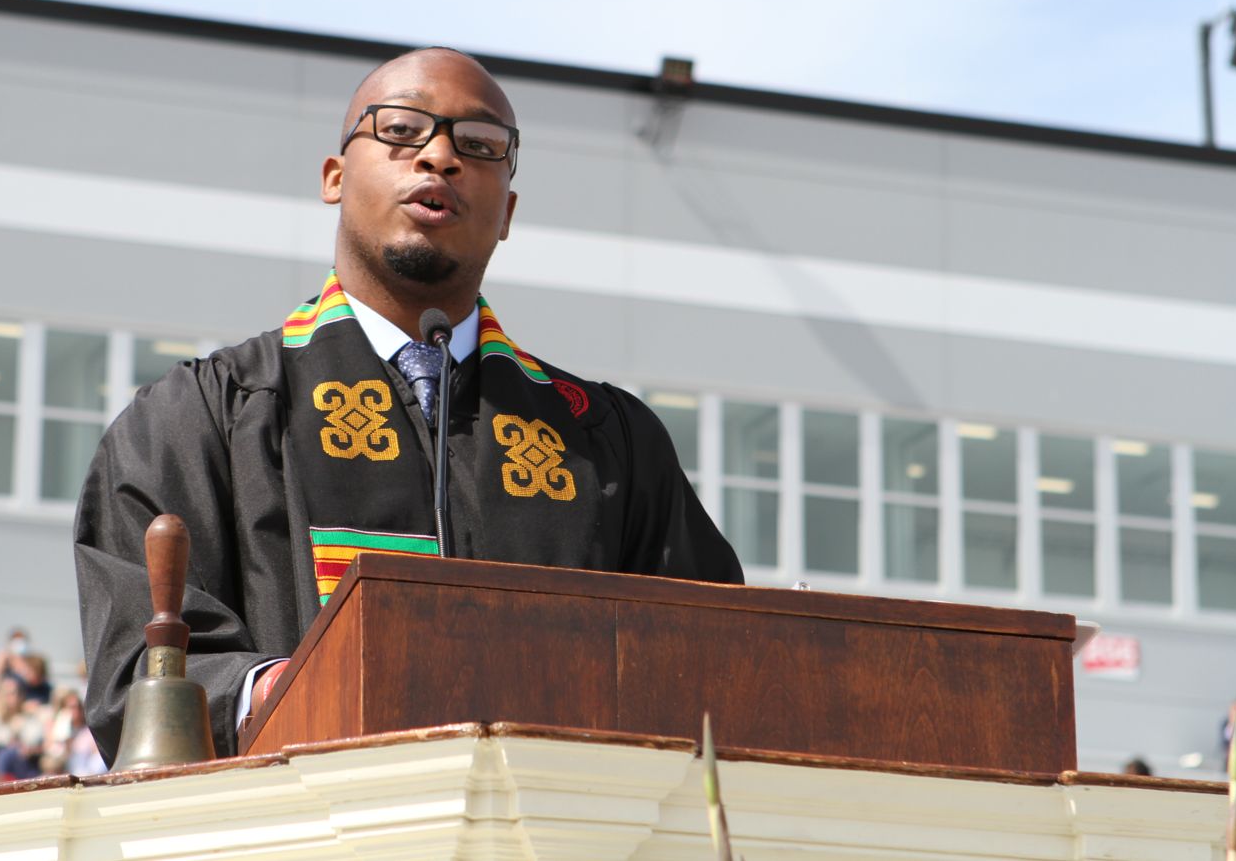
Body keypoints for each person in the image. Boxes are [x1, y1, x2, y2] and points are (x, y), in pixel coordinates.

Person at [75, 47, 744, 763]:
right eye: (400, 130)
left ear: (508, 211)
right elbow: (139, 674)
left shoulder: (605, 443)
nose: (440, 157)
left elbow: (714, 666)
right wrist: (287, 691)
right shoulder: (198, 419)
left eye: (480, 145)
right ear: (334, 177)